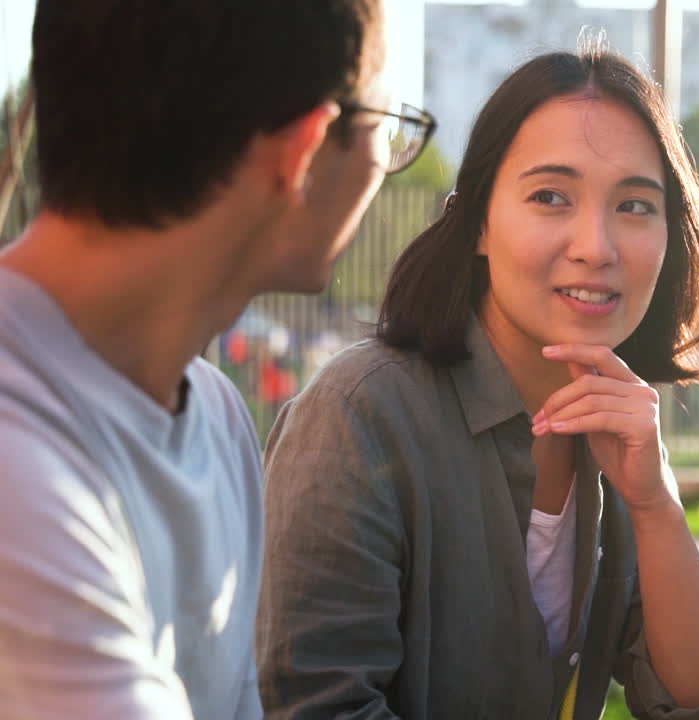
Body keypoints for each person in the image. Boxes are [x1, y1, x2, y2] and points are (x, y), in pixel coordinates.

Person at [255, 47, 699, 719]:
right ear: (477, 221)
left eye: (634, 205)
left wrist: (654, 506)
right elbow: (314, 705)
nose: (597, 246)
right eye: (550, 197)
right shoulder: (359, 414)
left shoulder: (616, 426)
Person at [0, 1, 435, 718]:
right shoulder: (21, 473)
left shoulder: (216, 417)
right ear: (303, 152)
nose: (387, 164)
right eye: (389, 128)